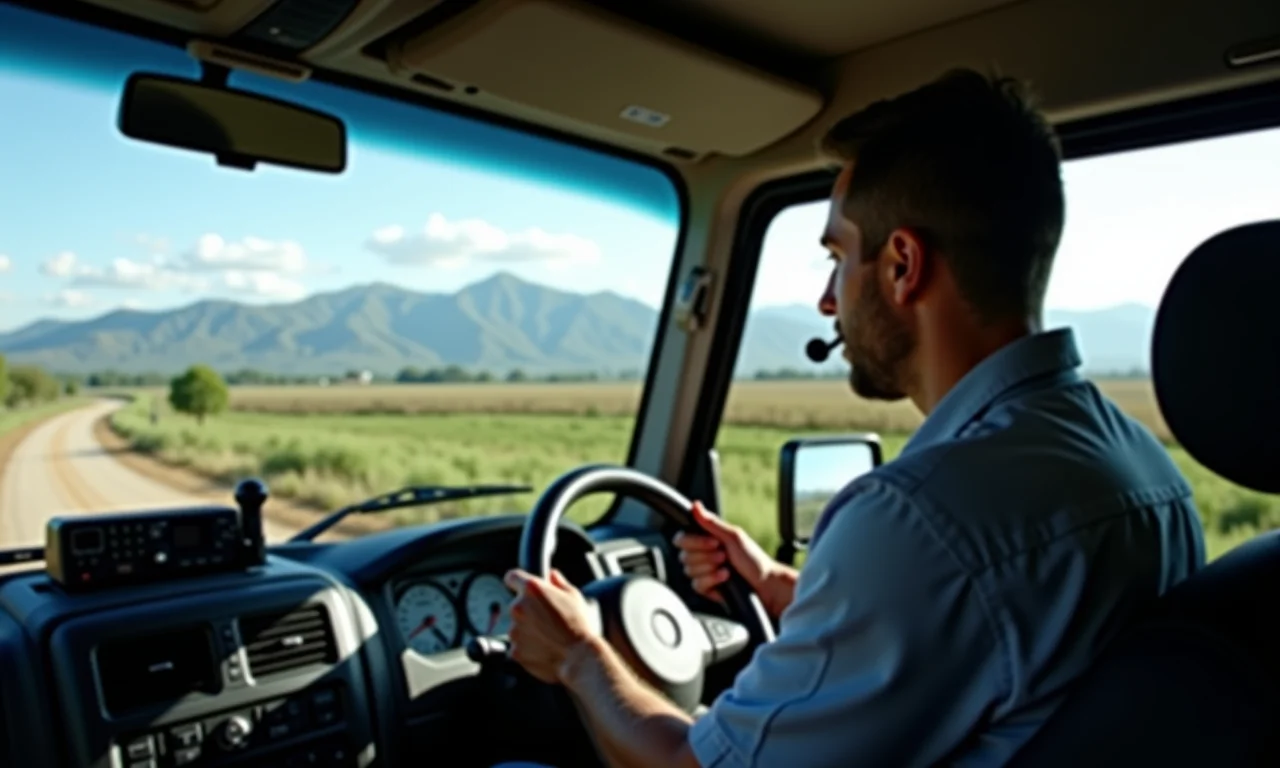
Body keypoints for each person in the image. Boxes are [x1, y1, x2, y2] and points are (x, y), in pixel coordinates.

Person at [500, 68, 1206, 767]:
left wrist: (579, 656)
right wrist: (782, 588)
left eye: (837, 256)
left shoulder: (918, 517)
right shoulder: (1144, 468)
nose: (826, 301)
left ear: (902, 265)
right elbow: (984, 635)